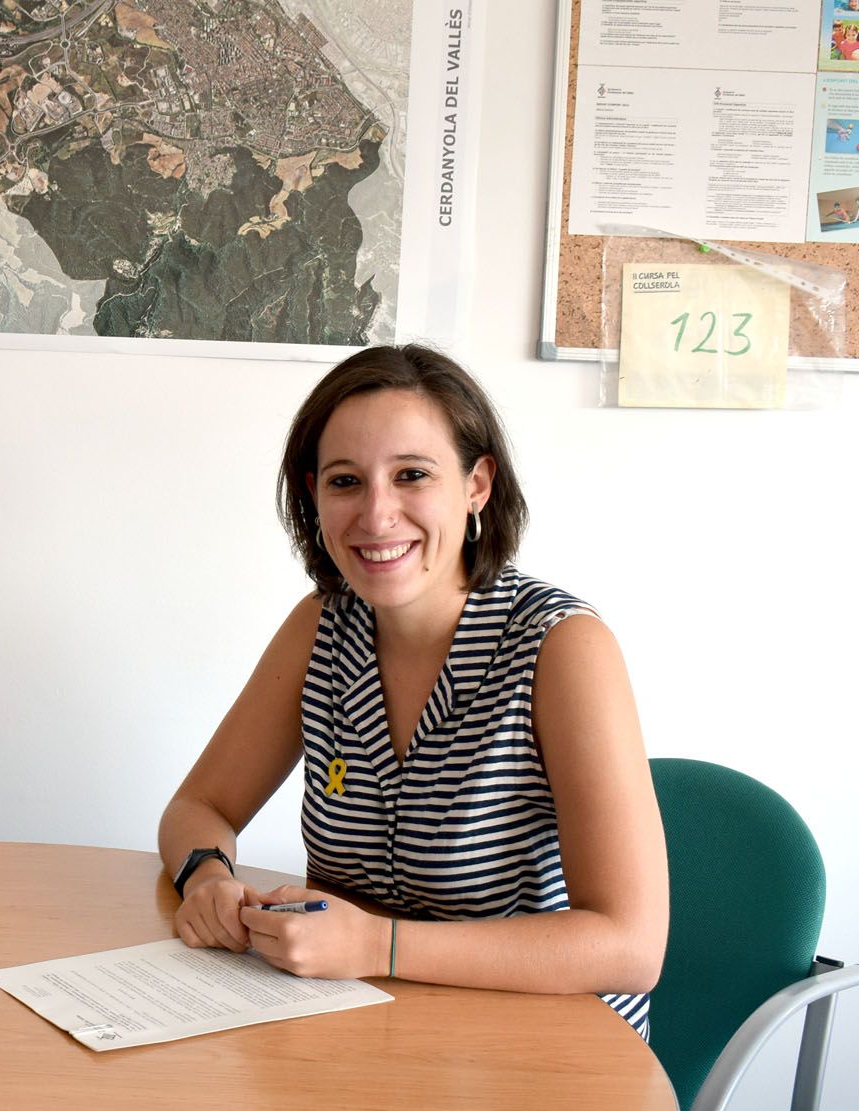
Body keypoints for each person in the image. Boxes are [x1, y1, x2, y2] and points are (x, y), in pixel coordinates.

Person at [157, 345, 666, 1036]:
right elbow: (200, 804)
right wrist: (208, 878)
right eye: (345, 481)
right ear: (314, 493)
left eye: (412, 475)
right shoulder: (321, 628)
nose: (376, 513)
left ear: (477, 484)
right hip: (372, 1039)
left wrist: (378, 943)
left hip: (548, 1056)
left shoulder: (562, 645)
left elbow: (630, 946)